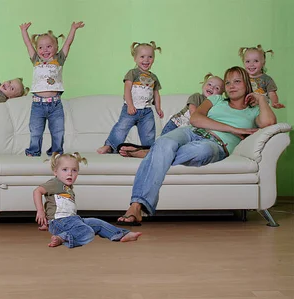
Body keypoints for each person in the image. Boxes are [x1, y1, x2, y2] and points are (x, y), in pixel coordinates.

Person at [116, 66, 277, 226]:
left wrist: (261, 99)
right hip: (191, 132)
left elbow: (269, 123)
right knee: (164, 142)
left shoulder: (254, 110)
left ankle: (151, 152)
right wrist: (234, 129)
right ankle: (136, 206)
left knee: (200, 150)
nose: (231, 86)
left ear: (247, 84)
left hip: (215, 144)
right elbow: (195, 119)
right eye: (227, 83)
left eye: (237, 81)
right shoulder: (216, 100)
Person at [33, 152, 142, 248]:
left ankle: (122, 234)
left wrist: (46, 222)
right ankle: (63, 238)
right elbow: (37, 191)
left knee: (97, 223)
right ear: (55, 172)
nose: (70, 173)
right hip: (61, 222)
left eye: (74, 170)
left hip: (72, 220)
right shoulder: (56, 183)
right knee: (88, 232)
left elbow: (54, 206)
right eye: (65, 170)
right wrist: (40, 211)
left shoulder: (67, 188)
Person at [119, 73, 225, 158]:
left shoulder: (215, 108)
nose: (212, 88)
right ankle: (141, 152)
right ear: (203, 85)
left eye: (217, 88)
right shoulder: (197, 97)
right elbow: (194, 115)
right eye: (210, 84)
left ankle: (143, 151)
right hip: (176, 126)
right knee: (165, 147)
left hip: (187, 133)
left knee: (174, 152)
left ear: (220, 95)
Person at [20, 21, 85, 157]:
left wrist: (73, 29)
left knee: (58, 131)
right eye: (41, 47)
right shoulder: (36, 60)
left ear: (56, 47)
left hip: (55, 105)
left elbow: (68, 43)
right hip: (38, 104)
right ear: (37, 49)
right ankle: (33, 151)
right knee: (36, 130)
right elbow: (27, 44)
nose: (45, 50)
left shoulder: (59, 59)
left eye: (49, 46)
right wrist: (24, 31)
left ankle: (56, 152)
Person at [97, 41, 164, 154]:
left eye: (150, 57)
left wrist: (158, 108)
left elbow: (156, 93)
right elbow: (127, 89)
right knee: (121, 128)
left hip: (147, 112)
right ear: (135, 58)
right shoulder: (132, 73)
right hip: (131, 110)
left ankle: (147, 150)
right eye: (142, 57)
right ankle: (110, 146)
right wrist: (130, 105)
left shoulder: (153, 77)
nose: (146, 60)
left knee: (149, 132)